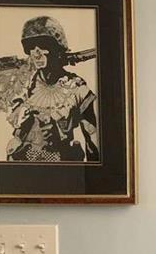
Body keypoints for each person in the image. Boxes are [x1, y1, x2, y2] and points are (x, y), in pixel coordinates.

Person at [6, 16, 99, 162]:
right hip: (22, 162)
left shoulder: (76, 88)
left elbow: (92, 135)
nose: (36, 53)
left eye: (42, 45)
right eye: (31, 47)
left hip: (60, 164)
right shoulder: (23, 85)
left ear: (56, 48)